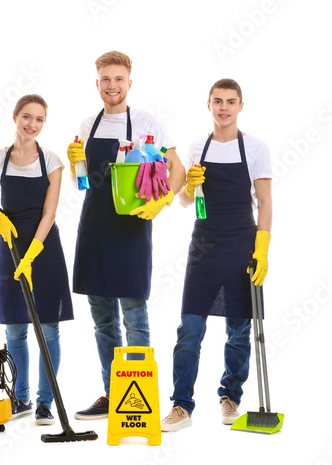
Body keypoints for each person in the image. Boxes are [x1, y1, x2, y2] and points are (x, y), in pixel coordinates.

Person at [67, 51, 185, 420]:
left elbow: (176, 169)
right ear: (97, 83)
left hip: (132, 229)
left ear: (129, 83)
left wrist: (161, 203)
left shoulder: (148, 122)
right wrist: (76, 164)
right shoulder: (89, 125)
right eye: (106, 79)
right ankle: (113, 393)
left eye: (119, 79)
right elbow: (82, 184)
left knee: (134, 315)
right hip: (95, 228)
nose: (112, 86)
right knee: (102, 318)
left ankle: (141, 396)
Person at [161, 78, 273, 431]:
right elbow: (182, 200)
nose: (224, 107)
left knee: (239, 331)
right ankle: (181, 405)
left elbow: (266, 201)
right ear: (208, 105)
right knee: (189, 328)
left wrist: (262, 249)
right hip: (204, 249)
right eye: (217, 101)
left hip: (242, 247)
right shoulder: (197, 147)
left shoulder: (255, 148)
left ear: (241, 106)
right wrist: (190, 187)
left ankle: (231, 397)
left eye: (230, 101)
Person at [0, 94, 73, 424]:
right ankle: (21, 398)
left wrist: (33, 252)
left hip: (43, 251)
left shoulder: (52, 161)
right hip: (9, 248)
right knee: (15, 329)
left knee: (48, 330)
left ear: (44, 123)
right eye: (27, 117)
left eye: (39, 119)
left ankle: (46, 402)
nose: (32, 124)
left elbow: (49, 213)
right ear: (15, 117)